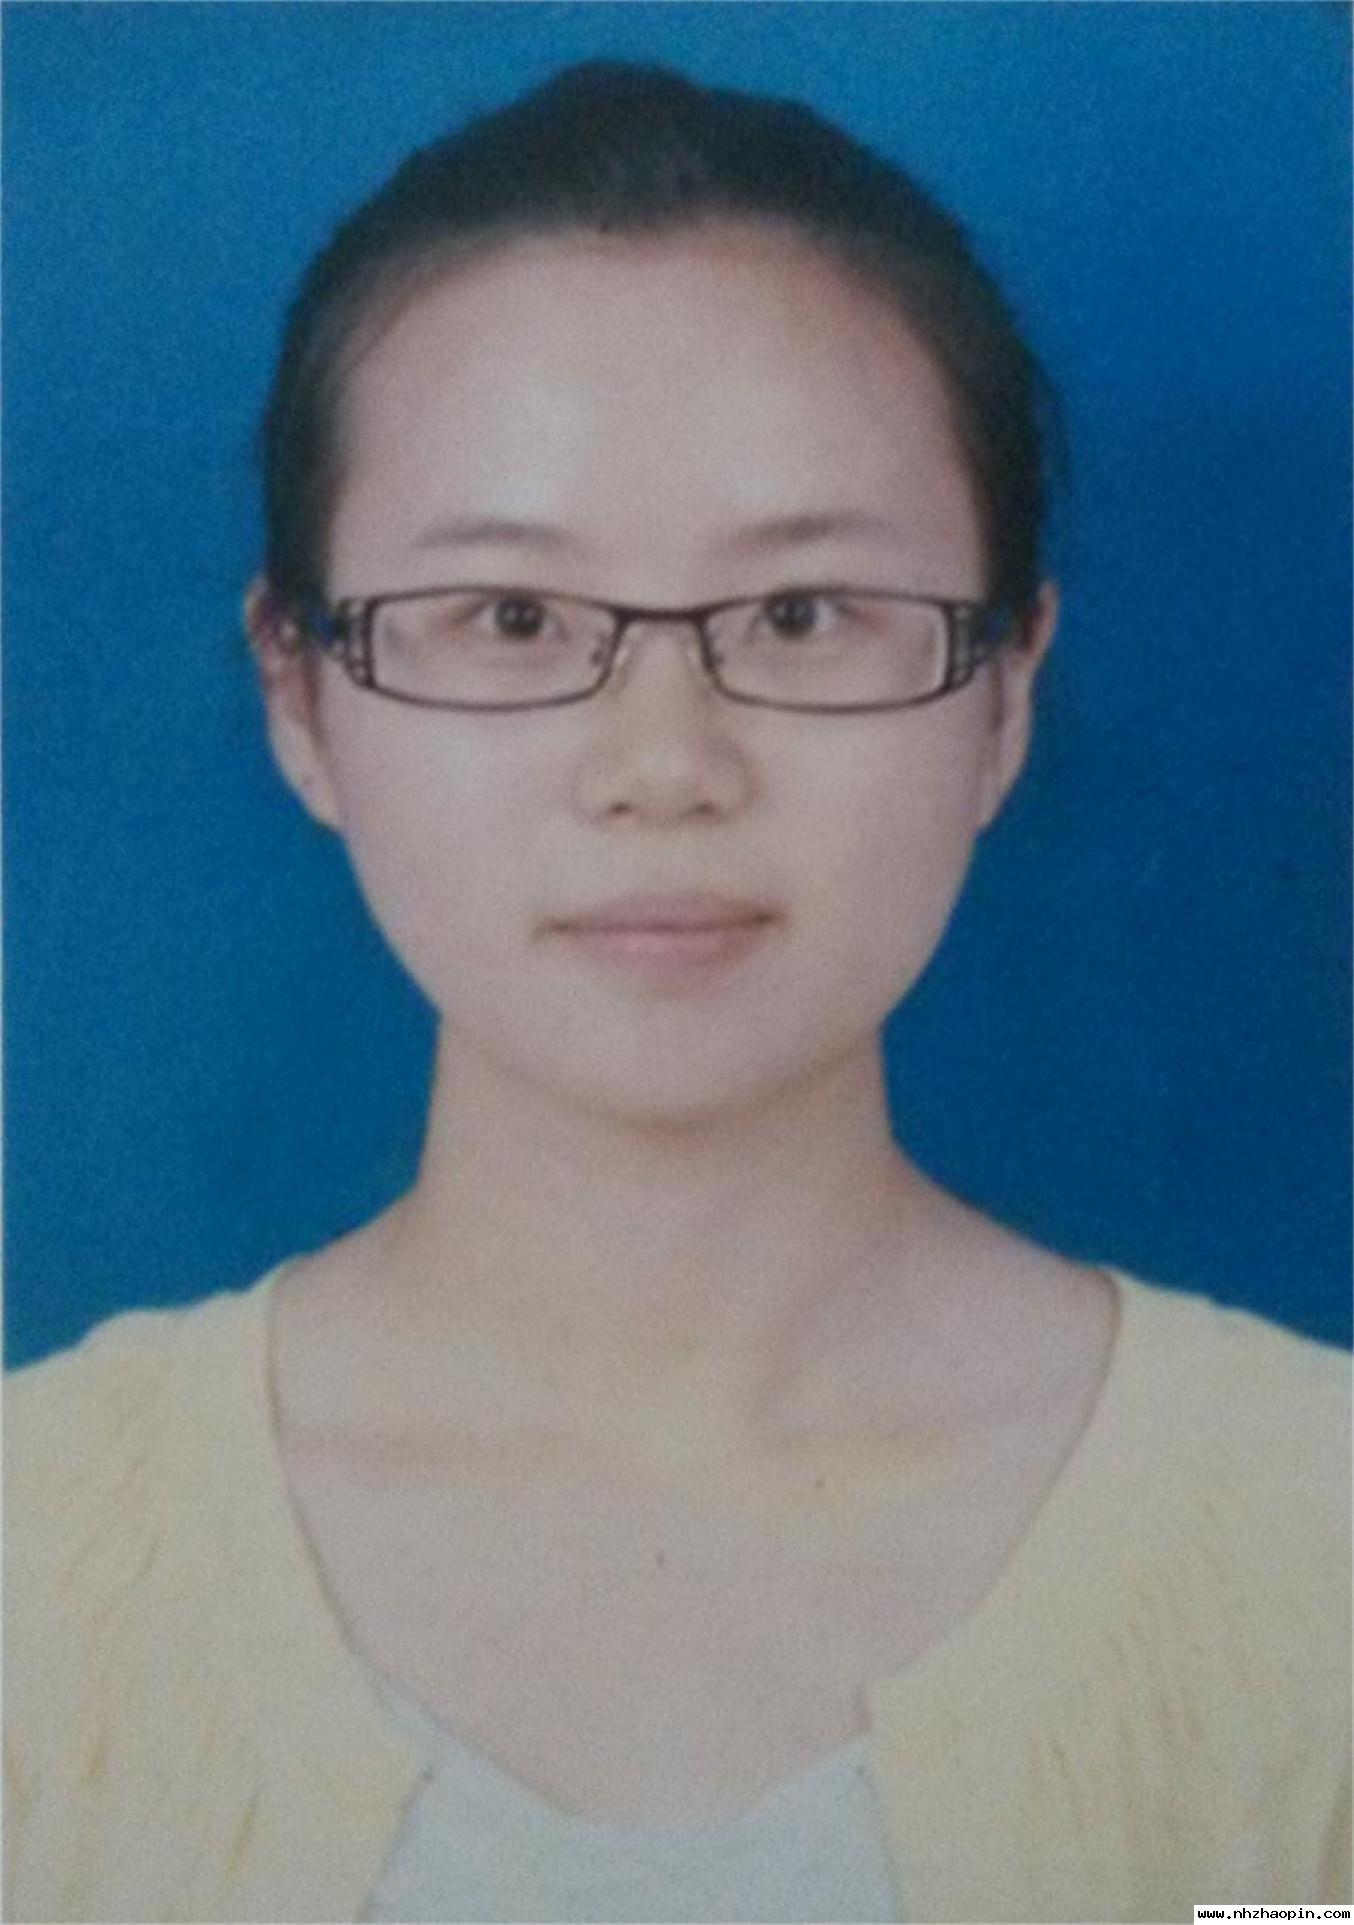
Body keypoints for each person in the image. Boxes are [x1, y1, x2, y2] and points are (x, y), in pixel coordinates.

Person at [5, 60, 1348, 1925]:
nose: (662, 764)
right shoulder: (38, 1563)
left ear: (1002, 695)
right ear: (299, 697)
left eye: (800, 615)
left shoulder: (1314, 1555)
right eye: (511, 618)